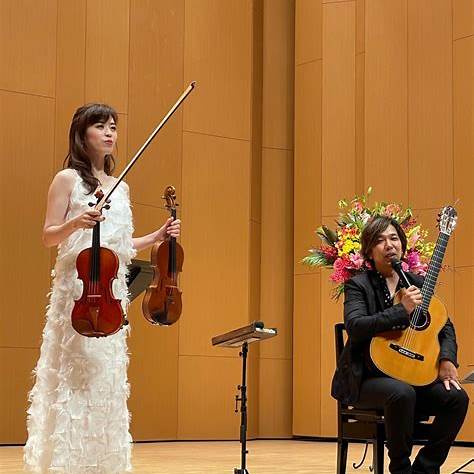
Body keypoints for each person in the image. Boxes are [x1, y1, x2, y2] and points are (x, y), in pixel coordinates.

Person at [24, 103, 181, 473]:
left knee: (106, 380)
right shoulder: (66, 180)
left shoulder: (120, 186)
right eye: (100, 126)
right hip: (77, 292)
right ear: (83, 134)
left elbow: (120, 246)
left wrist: (156, 237)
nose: (110, 132)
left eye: (113, 126)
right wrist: (76, 222)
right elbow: (48, 236)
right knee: (74, 377)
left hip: (111, 296)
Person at [331, 215, 469, 474]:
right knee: (401, 393)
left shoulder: (417, 283)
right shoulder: (358, 285)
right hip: (365, 378)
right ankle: (401, 469)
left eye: (394, 238)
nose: (389, 245)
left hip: (412, 375)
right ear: (369, 251)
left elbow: (444, 326)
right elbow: (356, 325)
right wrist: (401, 310)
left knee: (457, 398)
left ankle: (425, 469)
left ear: (403, 245)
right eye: (380, 240)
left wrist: (447, 359)